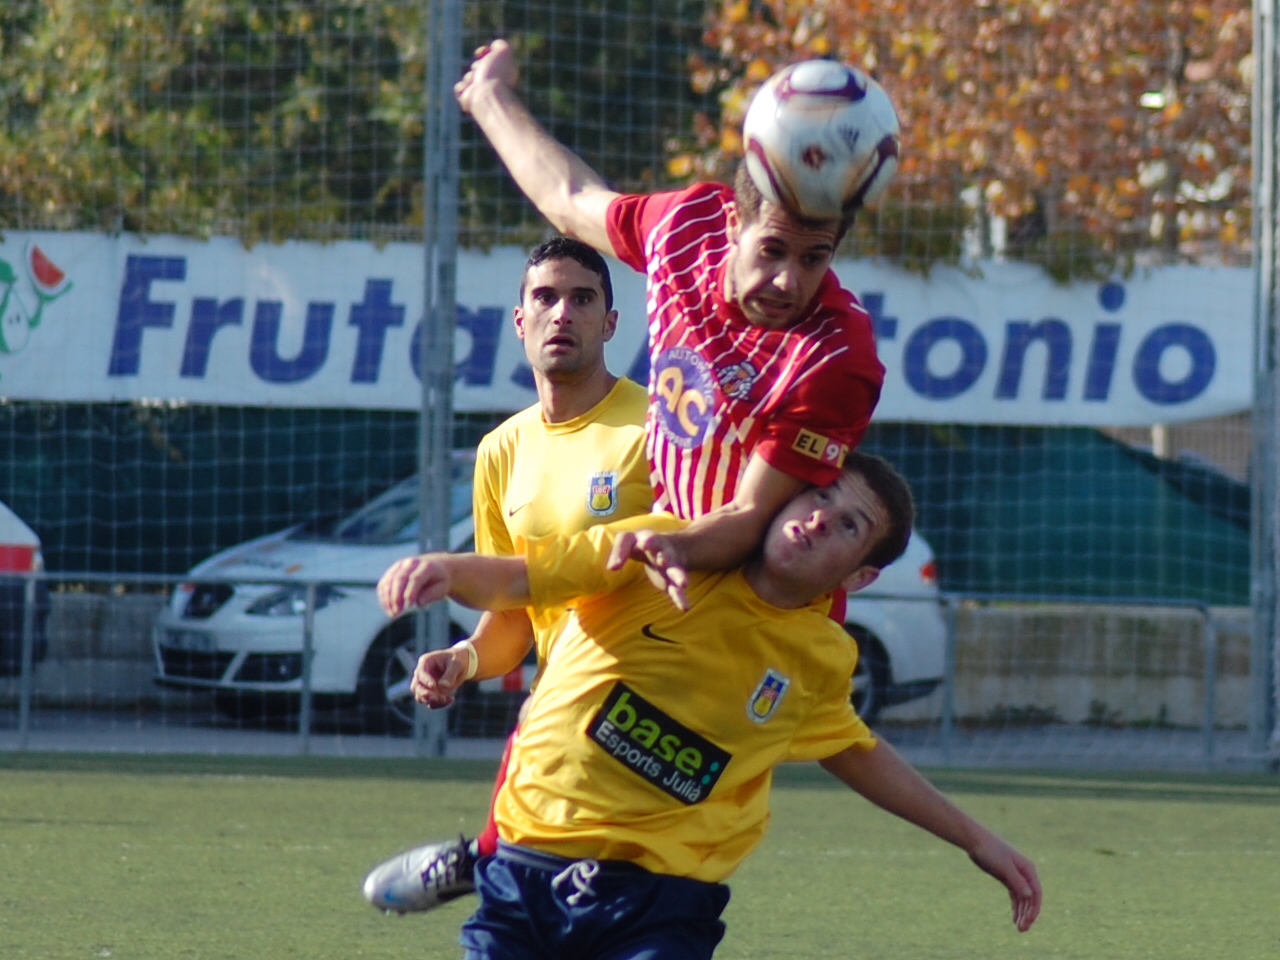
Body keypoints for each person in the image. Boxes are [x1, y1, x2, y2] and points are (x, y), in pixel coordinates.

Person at [378, 452, 1042, 958]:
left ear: (860, 575)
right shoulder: (662, 546)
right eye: (817, 495)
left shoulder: (820, 655)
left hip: (662, 900)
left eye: (849, 524)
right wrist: (451, 571)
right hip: (526, 860)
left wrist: (976, 838)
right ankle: (473, 859)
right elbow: (529, 575)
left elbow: (853, 748)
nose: (817, 519)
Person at [454, 39, 887, 600]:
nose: (788, 281)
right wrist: (490, 97)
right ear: (733, 225)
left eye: (813, 259)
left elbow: (750, 515)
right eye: (772, 251)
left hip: (757, 619)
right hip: (666, 574)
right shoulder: (685, 228)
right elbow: (570, 196)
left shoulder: (837, 357)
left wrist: (672, 545)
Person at [362, 237, 653, 913]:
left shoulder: (656, 428)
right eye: (545, 297)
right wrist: (463, 659)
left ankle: (489, 860)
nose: (563, 314)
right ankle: (497, 861)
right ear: (520, 320)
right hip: (562, 715)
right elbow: (514, 614)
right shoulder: (502, 451)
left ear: (611, 323)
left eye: (582, 299)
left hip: (654, 702)